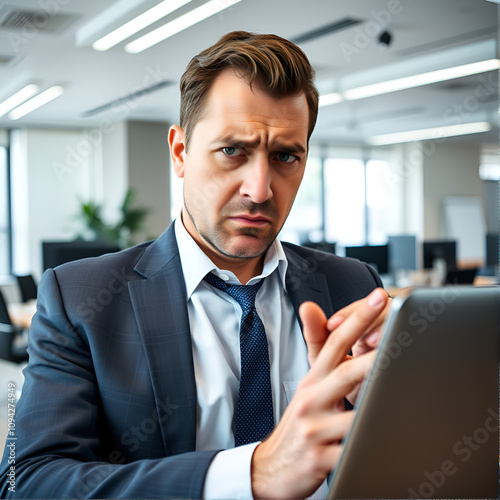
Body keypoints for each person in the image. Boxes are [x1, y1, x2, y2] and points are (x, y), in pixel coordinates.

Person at [0, 31, 389, 499]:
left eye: (286, 156)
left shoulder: (355, 284)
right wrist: (252, 475)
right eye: (232, 151)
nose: (260, 190)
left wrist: (389, 403)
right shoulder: (80, 298)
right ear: (180, 152)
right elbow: (29, 481)